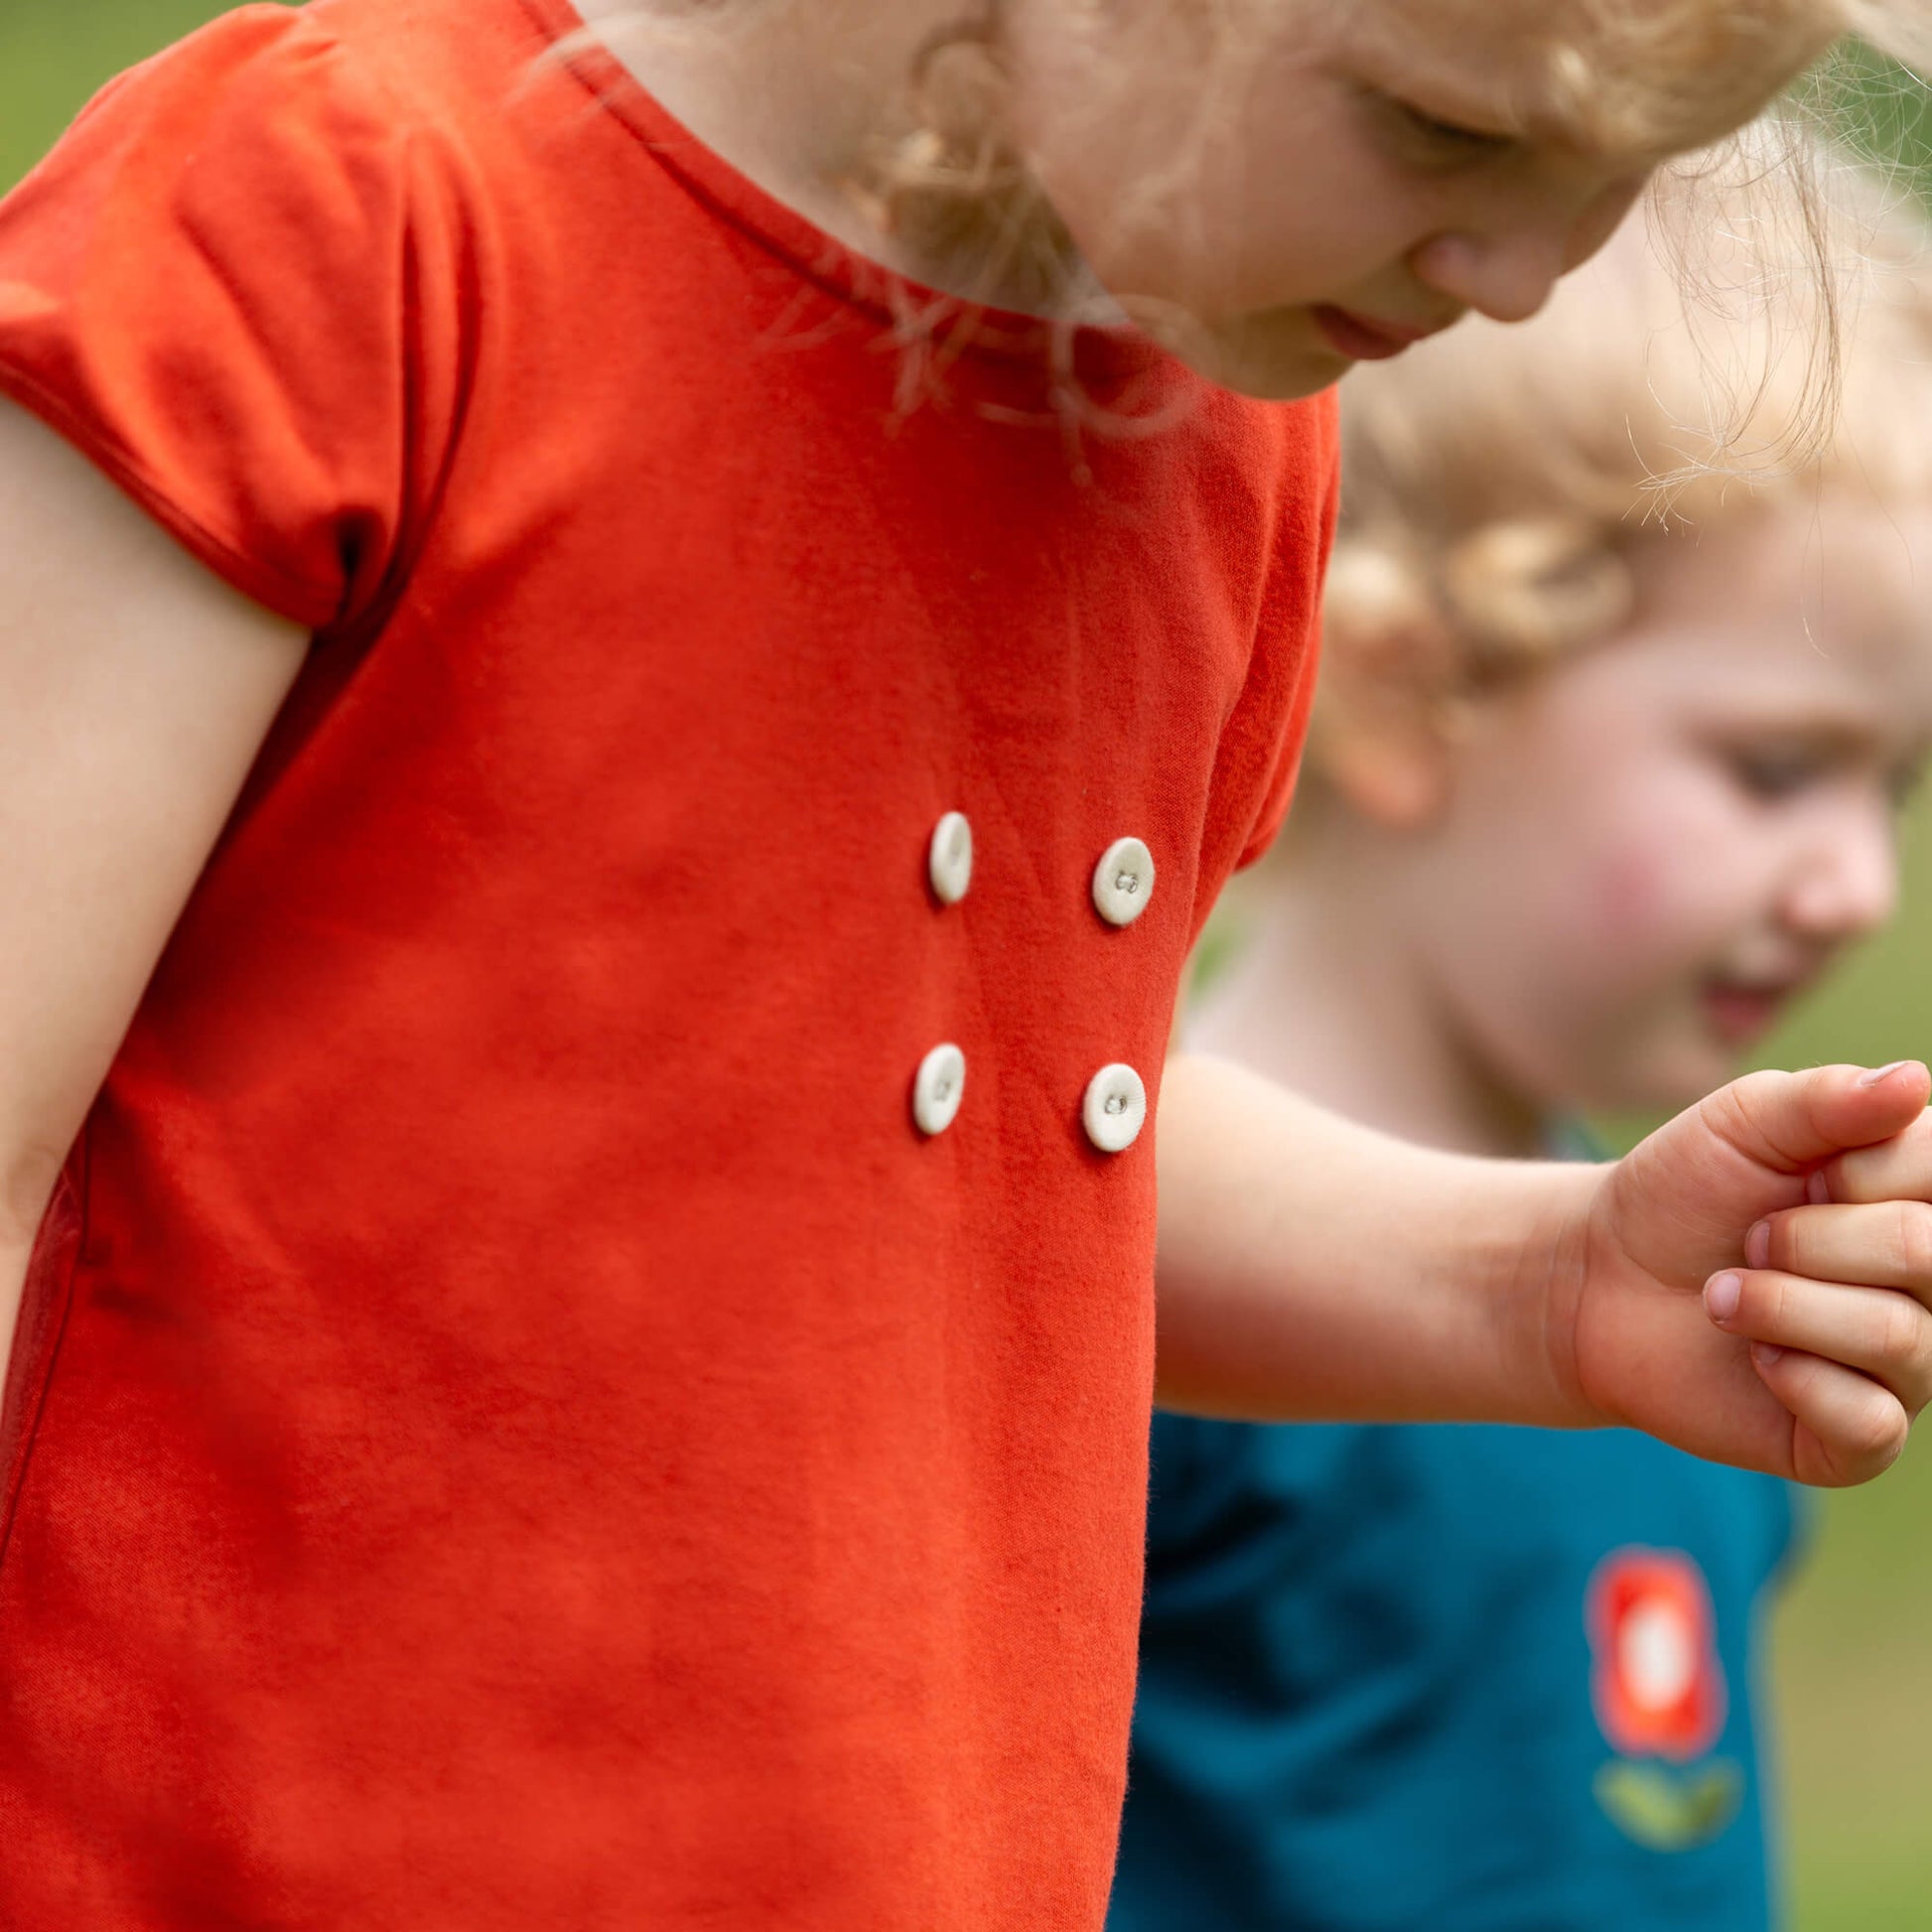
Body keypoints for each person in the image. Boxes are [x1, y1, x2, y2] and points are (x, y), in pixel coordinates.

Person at [0, 1, 1931, 1925]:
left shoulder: (1215, 425)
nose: (1522, 280)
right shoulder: (356, 221)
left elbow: (993, 1137)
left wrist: (1535, 1282)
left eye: (1623, 178)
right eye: (1441, 132)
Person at [1110, 153, 1932, 1932]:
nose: (1857, 883)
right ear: (1415, 694)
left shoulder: (1697, 1270)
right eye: (1773, 769)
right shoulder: (1169, 1266)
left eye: (1898, 786)